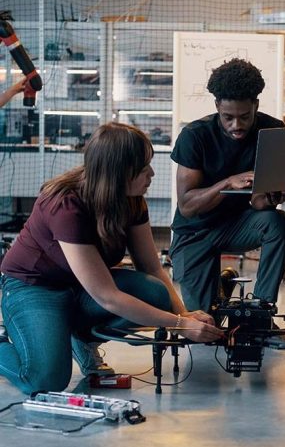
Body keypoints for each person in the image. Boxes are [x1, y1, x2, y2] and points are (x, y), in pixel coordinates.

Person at [0, 122, 223, 395]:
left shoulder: (131, 199)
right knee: (45, 381)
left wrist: (182, 313)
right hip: (34, 288)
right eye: (143, 169)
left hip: (82, 289)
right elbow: (107, 297)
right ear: (118, 173)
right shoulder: (65, 205)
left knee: (153, 292)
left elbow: (151, 266)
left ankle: (79, 337)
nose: (152, 174)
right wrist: (179, 325)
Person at [170, 58, 285, 313]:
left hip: (238, 225)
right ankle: (222, 286)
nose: (236, 125)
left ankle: (261, 308)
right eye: (228, 117)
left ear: (256, 106)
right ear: (217, 106)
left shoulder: (273, 131)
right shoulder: (195, 136)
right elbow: (187, 206)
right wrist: (228, 182)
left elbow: (259, 203)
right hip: (195, 232)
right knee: (206, 321)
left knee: (278, 222)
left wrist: (274, 195)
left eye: (244, 117)